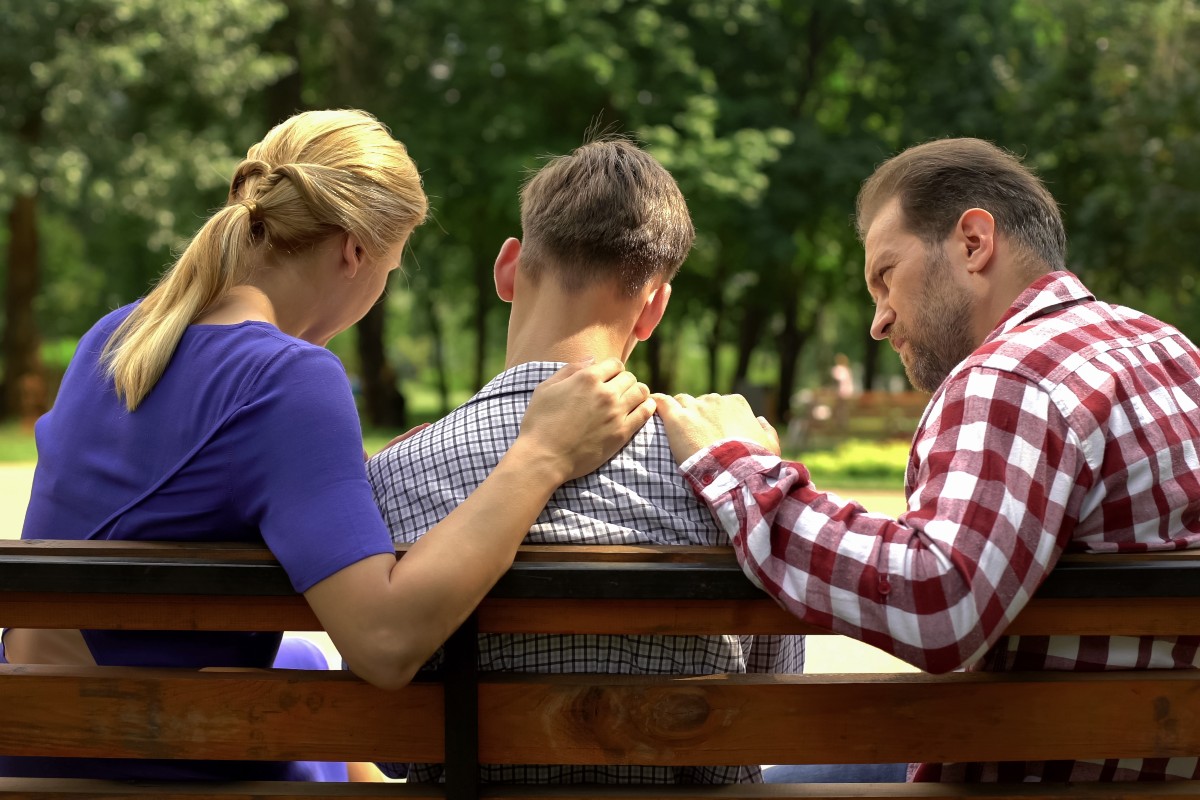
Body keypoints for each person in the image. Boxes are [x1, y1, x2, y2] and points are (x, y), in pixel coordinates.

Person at [6, 109, 655, 782]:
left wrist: (343, 473)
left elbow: (188, 472)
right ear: (353, 252)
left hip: (36, 731)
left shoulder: (117, 337)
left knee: (305, 665)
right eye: (390, 270)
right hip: (140, 761)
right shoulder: (288, 377)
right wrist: (541, 454)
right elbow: (384, 643)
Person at [653, 137, 1200, 783]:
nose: (878, 322)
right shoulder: (1168, 348)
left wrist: (738, 466)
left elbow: (937, 597)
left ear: (973, 242)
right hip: (1163, 764)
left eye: (886, 275)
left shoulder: (1013, 374)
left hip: (1042, 775)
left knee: (766, 781)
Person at [366, 137, 804, 785]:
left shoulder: (397, 473)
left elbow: (394, 748)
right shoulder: (730, 476)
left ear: (508, 268)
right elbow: (772, 708)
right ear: (654, 307)